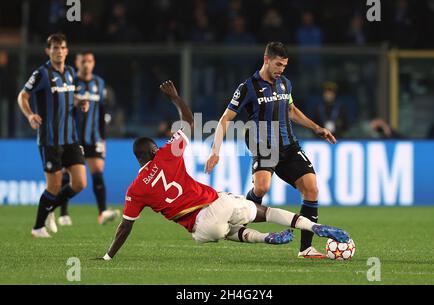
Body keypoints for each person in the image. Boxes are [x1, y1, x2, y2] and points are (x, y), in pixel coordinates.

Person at [98, 81, 350, 260]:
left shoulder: (135, 189)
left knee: (227, 230)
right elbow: (188, 120)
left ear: (136, 159)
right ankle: (312, 227)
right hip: (215, 205)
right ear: (154, 151)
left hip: (201, 232)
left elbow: (125, 227)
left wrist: (109, 256)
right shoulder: (165, 155)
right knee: (265, 211)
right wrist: (175, 97)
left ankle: (265, 239)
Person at [205, 42, 337, 259]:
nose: (281, 70)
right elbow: (225, 118)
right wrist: (215, 150)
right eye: (278, 65)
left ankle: (306, 249)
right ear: (266, 60)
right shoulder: (247, 87)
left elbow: (291, 109)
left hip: (289, 146)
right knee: (261, 189)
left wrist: (317, 128)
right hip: (264, 145)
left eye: (284, 66)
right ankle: (240, 224)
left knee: (312, 189)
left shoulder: (285, 83)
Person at [17, 33, 89, 238]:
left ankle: (50, 209)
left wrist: (79, 101)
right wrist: (30, 115)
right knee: (54, 185)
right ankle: (38, 227)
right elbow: (22, 95)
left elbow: (68, 94)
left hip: (70, 138)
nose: (59, 51)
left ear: (67, 51)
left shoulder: (71, 73)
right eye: (55, 48)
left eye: (62, 48)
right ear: (48, 51)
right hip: (50, 139)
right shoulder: (41, 74)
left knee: (80, 183)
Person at [58, 51, 120, 226]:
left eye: (90, 61)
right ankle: (63, 214)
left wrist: (103, 138)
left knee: (98, 171)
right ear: (77, 63)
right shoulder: (70, 82)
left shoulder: (99, 83)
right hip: (72, 137)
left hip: (94, 137)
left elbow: (101, 111)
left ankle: (102, 213)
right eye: (83, 61)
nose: (87, 64)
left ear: (93, 63)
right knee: (67, 174)